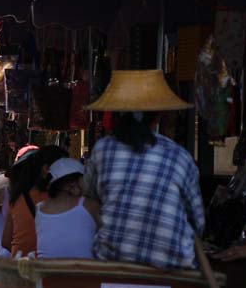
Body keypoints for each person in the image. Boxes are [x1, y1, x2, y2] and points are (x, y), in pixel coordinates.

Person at [83, 70, 202, 270]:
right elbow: (196, 221)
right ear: (157, 117)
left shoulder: (103, 149)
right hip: (170, 265)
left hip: (111, 260)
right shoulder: (181, 156)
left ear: (119, 115)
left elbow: (90, 197)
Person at [0, 145, 67, 257]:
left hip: (20, 263)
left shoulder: (17, 199)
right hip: (49, 265)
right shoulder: (63, 198)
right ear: (46, 170)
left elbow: (5, 241)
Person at [35, 158, 100, 259]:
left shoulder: (39, 208)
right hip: (85, 273)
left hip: (47, 272)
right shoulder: (89, 205)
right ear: (72, 183)